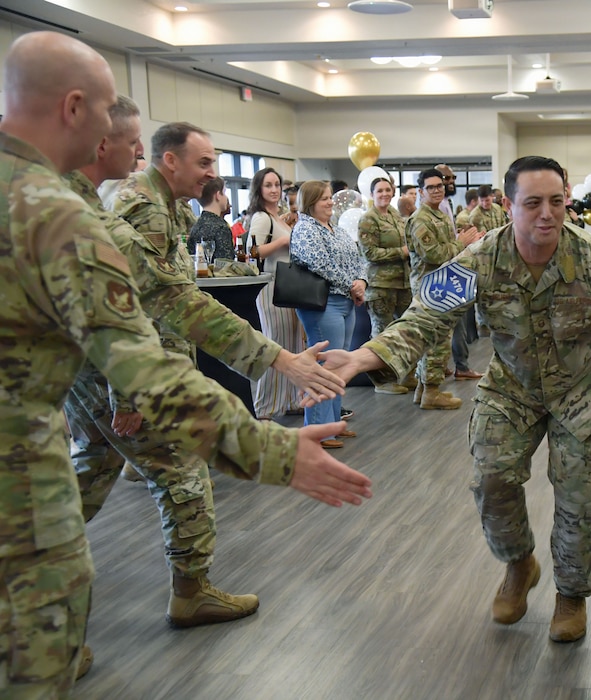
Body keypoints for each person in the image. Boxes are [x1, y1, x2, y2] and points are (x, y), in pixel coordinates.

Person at [0, 31, 371, 699]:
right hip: (24, 468)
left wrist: (275, 359)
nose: (130, 139)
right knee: (40, 648)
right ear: (75, 108)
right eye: (114, 113)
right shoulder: (55, 213)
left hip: (48, 428)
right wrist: (274, 451)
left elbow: (170, 298)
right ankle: (185, 593)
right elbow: (148, 334)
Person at [317, 156, 591, 644]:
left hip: (582, 392)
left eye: (557, 202)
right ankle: (520, 564)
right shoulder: (480, 259)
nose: (547, 214)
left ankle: (571, 594)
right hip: (512, 387)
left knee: (577, 499)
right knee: (491, 479)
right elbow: (426, 314)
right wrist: (367, 356)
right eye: (532, 203)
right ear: (508, 207)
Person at [69, 112, 360, 630]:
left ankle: (33, 562)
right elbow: (151, 304)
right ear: (170, 160)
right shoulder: (138, 209)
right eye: (203, 162)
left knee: (86, 476)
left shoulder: (151, 207)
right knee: (183, 474)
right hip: (127, 376)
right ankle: (191, 590)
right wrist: (130, 397)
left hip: (110, 374)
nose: (211, 173)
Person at [289, 180, 367, 448]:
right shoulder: (305, 229)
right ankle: (318, 431)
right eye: (324, 198)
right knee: (323, 366)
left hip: (346, 301)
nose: (331, 202)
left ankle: (333, 424)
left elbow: (358, 259)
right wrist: (351, 286)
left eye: (330, 197)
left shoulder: (335, 228)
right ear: (310, 202)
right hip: (323, 304)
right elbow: (321, 264)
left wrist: (361, 282)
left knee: (338, 364)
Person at [405, 168, 483, 408]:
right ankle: (431, 391)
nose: (437, 190)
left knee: (436, 339)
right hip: (431, 287)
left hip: (444, 283)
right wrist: (460, 243)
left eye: (440, 186)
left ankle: (423, 389)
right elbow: (434, 254)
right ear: (420, 191)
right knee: (436, 340)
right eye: (431, 187)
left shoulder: (438, 215)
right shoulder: (420, 219)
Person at [247, 167, 306, 420]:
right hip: (271, 287)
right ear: (259, 189)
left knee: (291, 344)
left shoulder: (280, 217)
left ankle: (291, 399)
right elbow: (253, 251)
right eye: (268, 185)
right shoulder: (261, 217)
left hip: (287, 286)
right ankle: (264, 407)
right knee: (276, 347)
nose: (274, 190)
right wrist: (282, 242)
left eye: (277, 185)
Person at [358, 176, 415, 395]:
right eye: (379, 191)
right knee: (381, 333)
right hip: (380, 284)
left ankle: (404, 374)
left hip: (402, 282)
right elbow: (369, 253)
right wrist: (401, 252)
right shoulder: (368, 219)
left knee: (404, 330)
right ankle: (382, 380)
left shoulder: (395, 215)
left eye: (387, 190)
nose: (384, 194)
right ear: (372, 195)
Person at [435, 163, 484, 381]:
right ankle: (451, 369)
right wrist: (461, 242)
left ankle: (456, 366)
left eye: (451, 178)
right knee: (451, 327)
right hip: (440, 274)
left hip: (454, 268)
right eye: (446, 179)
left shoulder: (446, 205)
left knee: (457, 326)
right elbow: (435, 252)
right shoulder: (427, 214)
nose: (450, 183)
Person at [187, 176, 236, 262]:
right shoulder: (221, 227)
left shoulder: (195, 227)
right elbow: (227, 267)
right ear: (218, 195)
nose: (226, 197)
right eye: (224, 193)